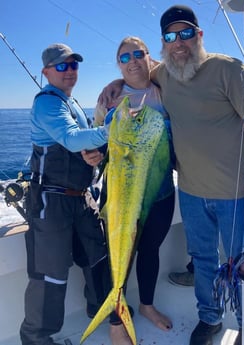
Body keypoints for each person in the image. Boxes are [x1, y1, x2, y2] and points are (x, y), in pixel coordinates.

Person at [97, 5, 244, 345]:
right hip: (190, 192)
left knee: (242, 262)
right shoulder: (165, 75)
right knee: (203, 260)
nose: (179, 42)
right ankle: (210, 319)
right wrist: (117, 81)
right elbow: (138, 73)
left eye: (186, 33)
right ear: (163, 43)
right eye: (171, 36)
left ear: (199, 35)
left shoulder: (226, 69)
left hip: (236, 192)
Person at [83, 36, 176, 345]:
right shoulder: (109, 98)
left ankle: (146, 306)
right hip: (120, 193)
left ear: (150, 58)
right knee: (120, 251)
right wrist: (90, 153)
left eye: (139, 54)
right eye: (125, 57)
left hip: (160, 193)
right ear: (118, 64)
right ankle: (115, 320)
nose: (133, 60)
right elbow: (94, 140)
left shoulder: (165, 93)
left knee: (150, 249)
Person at [19, 43, 111, 345]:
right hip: (51, 201)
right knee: (51, 272)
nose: (69, 71)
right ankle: (36, 338)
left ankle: (100, 308)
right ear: (46, 72)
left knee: (97, 255)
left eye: (73, 65)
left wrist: (93, 154)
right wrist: (114, 128)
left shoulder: (70, 104)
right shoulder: (47, 102)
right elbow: (71, 139)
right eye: (61, 66)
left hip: (81, 197)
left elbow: (80, 145)